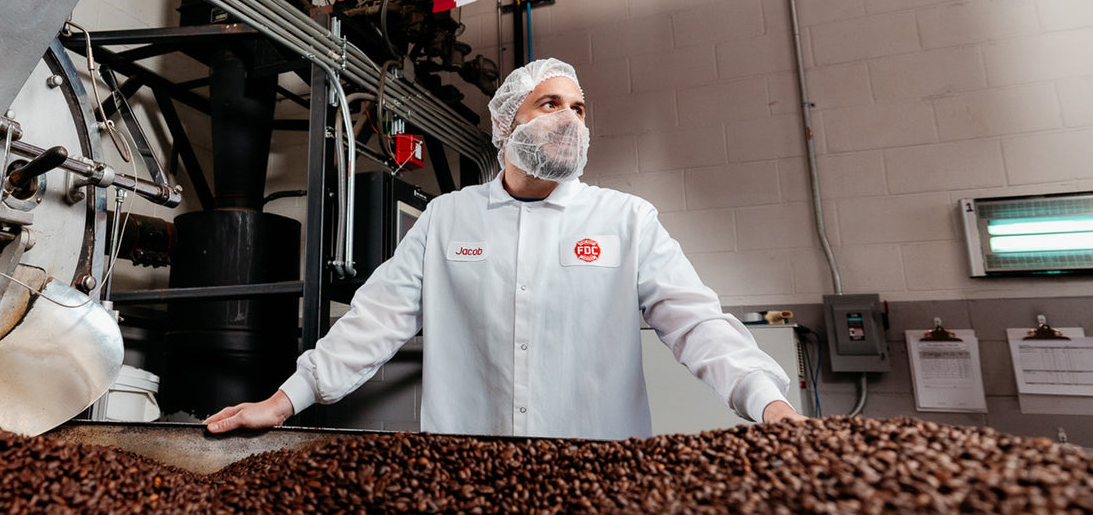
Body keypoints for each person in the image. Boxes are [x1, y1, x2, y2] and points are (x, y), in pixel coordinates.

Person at [205, 58, 806, 439]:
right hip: (468, 478)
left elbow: (697, 324)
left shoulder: (627, 220)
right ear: (504, 125)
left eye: (579, 108)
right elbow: (375, 322)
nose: (569, 118)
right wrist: (286, 401)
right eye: (550, 104)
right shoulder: (448, 219)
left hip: (597, 478)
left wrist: (767, 401)